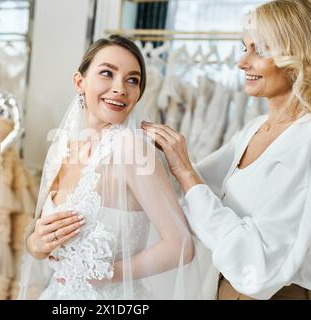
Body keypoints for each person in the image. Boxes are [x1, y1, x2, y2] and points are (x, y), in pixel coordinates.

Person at [142, 0, 311, 300]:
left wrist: (186, 171)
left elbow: (259, 265)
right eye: (245, 48)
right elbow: (188, 194)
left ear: (297, 56)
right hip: (225, 288)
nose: (242, 62)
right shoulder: (255, 128)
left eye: (260, 50)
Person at [18, 35, 200, 300]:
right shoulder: (66, 146)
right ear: (79, 82)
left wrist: (108, 274)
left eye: (132, 80)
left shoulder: (131, 148)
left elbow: (181, 245)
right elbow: (39, 238)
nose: (120, 89)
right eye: (107, 73)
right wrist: (36, 244)